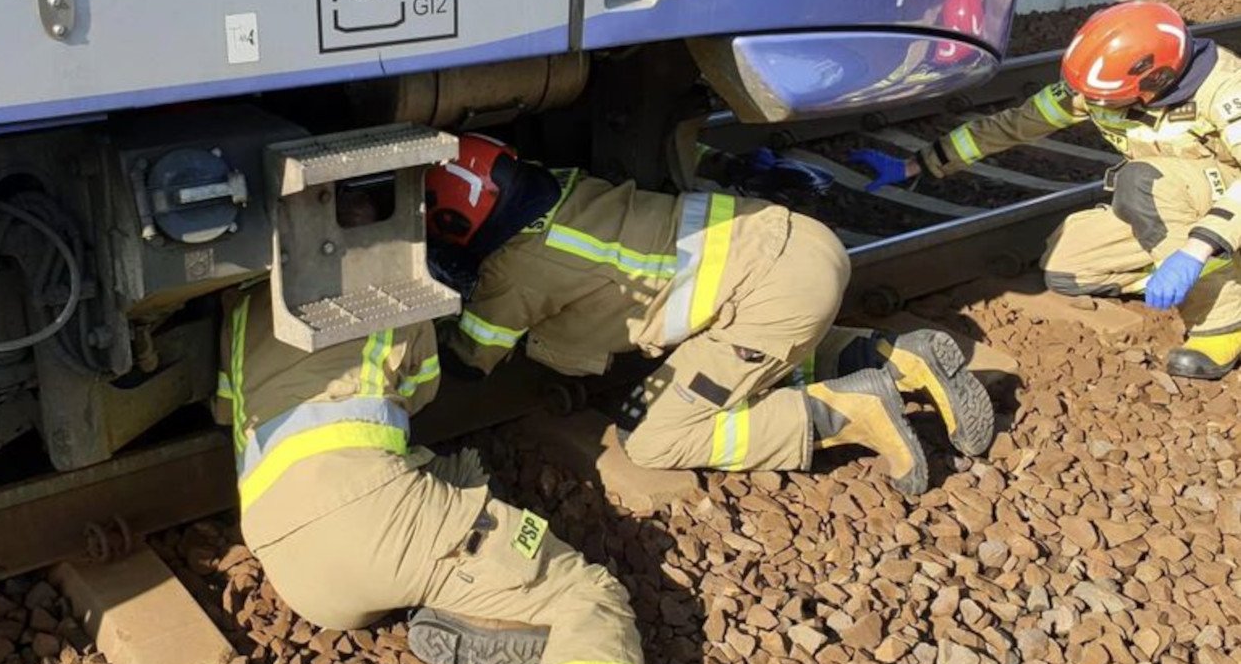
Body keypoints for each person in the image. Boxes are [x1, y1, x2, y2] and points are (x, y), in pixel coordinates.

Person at [215, 282, 664, 664]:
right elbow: (424, 386)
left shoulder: (239, 308)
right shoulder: (385, 270)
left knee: (453, 481)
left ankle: (458, 593)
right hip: (380, 519)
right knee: (586, 595)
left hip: (291, 566)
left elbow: (227, 411)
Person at [424, 134, 995, 497]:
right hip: (798, 243)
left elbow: (471, 360)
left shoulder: (515, 273)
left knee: (651, 437)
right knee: (762, 350)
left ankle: (848, 413)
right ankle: (896, 358)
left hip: (772, 301)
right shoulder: (570, 183)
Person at [852, 1, 1241, 380]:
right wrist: (919, 163)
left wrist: (1195, 251)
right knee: (1067, 266)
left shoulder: (1226, 90)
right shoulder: (1095, 91)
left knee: (1141, 181)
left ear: (1155, 81)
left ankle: (1223, 323)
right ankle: (1207, 268)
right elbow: (1013, 125)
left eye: (1102, 99)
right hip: (1176, 202)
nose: (1088, 103)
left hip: (1225, 205)